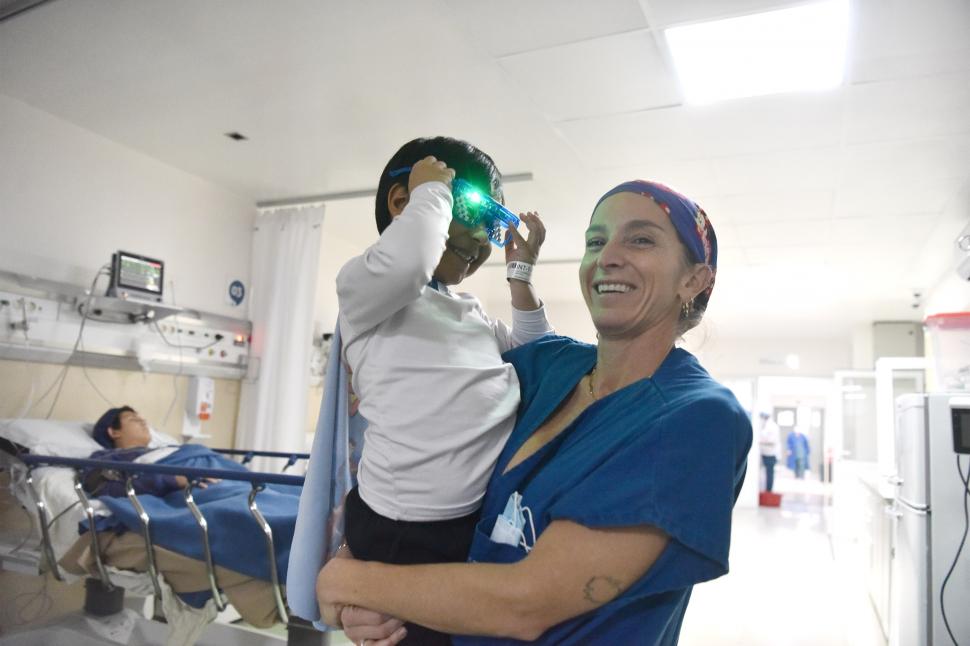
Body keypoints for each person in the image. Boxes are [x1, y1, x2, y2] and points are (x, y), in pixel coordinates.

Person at [316, 180, 752, 645]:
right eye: (596, 241)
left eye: (640, 239)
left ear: (694, 279)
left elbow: (526, 602)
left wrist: (348, 580)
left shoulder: (697, 419)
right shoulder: (553, 367)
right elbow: (415, 433)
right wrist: (362, 556)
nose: (608, 257)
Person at [333, 137, 554, 644]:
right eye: (467, 209)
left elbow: (538, 355)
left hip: (470, 520)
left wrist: (519, 273)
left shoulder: (471, 312)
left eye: (491, 226)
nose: (480, 238)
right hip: (401, 528)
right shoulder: (367, 292)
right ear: (403, 203)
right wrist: (431, 193)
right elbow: (409, 262)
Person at [84, 406, 215, 497]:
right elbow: (104, 488)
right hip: (189, 490)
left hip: (213, 472)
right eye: (133, 419)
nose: (143, 421)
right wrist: (171, 480)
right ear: (113, 432)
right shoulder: (106, 458)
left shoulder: (167, 449)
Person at [758, 411, 781, 492]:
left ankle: (769, 490)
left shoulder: (773, 427)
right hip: (765, 452)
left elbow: (772, 440)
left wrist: (761, 441)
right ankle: (766, 489)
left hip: (771, 453)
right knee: (766, 473)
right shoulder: (764, 426)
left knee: (769, 473)